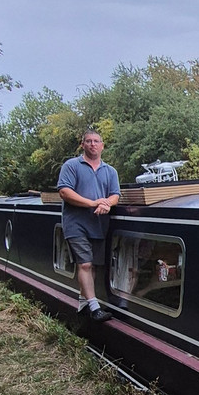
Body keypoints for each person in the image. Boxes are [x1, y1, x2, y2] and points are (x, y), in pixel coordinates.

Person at [57, 130, 120, 321]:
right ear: (82, 145)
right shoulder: (72, 166)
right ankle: (94, 308)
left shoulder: (110, 171)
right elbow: (64, 192)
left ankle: (82, 304)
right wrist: (93, 203)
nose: (93, 144)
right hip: (76, 223)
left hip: (99, 224)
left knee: (92, 267)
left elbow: (115, 195)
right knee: (84, 263)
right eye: (89, 141)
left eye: (96, 141)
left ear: (102, 146)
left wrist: (107, 204)